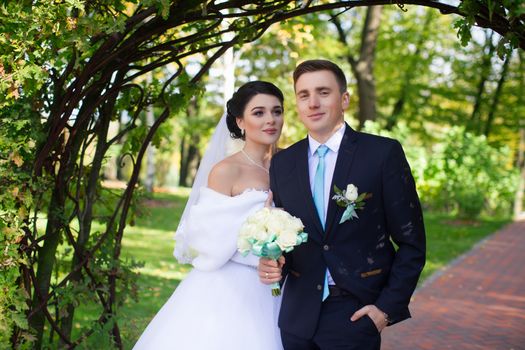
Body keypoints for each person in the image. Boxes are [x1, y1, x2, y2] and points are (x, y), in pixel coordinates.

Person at [258, 59, 426, 350]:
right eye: (304, 95)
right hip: (296, 318)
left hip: (355, 314)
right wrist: (272, 263)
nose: (313, 103)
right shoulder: (282, 163)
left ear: (344, 98)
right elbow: (288, 238)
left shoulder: (382, 154)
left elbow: (412, 243)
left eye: (323, 92)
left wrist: (385, 309)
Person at [133, 81, 285, 350]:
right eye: (259, 113)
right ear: (240, 121)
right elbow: (209, 240)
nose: (270, 120)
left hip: (285, 286)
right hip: (233, 287)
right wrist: (259, 250)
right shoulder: (226, 171)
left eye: (277, 111)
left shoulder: (292, 164)